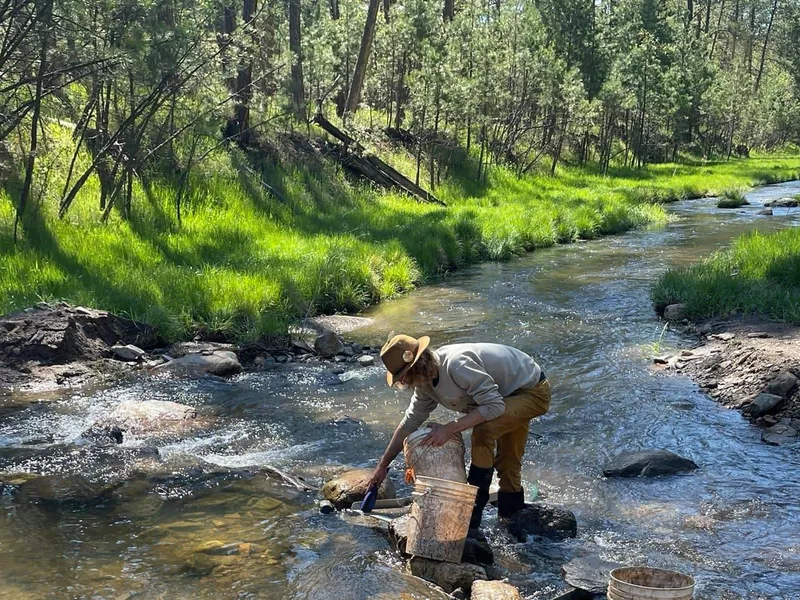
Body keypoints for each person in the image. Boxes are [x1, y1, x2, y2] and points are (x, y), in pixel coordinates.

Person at [366, 333, 550, 528]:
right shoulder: (424, 384)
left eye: (402, 376)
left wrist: (450, 429)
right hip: (505, 394)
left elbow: (494, 406)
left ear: (417, 366)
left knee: (484, 431)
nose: (402, 383)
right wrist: (382, 466)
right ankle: (512, 518)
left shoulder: (457, 365)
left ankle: (474, 514)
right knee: (508, 460)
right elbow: (410, 422)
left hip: (531, 391)